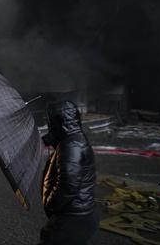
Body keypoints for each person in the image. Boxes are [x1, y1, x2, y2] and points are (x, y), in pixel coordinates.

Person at [38, 100, 98, 244]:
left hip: (70, 219)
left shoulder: (70, 145)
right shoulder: (73, 140)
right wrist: (51, 139)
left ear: (58, 121)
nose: (47, 123)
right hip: (79, 216)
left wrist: (50, 204)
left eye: (49, 120)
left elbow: (68, 186)